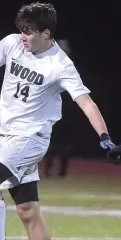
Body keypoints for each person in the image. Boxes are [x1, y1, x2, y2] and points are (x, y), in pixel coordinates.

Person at [0, 2, 116, 240]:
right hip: (6, 136)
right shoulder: (12, 43)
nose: (23, 38)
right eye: (21, 31)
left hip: (31, 138)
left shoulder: (59, 64)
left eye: (29, 33)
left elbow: (86, 102)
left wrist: (104, 136)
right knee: (27, 211)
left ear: (47, 34)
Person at [44, 39, 75, 177]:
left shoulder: (71, 67)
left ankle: (62, 171)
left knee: (66, 144)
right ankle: (48, 170)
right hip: (51, 109)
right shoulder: (48, 65)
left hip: (66, 110)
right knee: (48, 142)